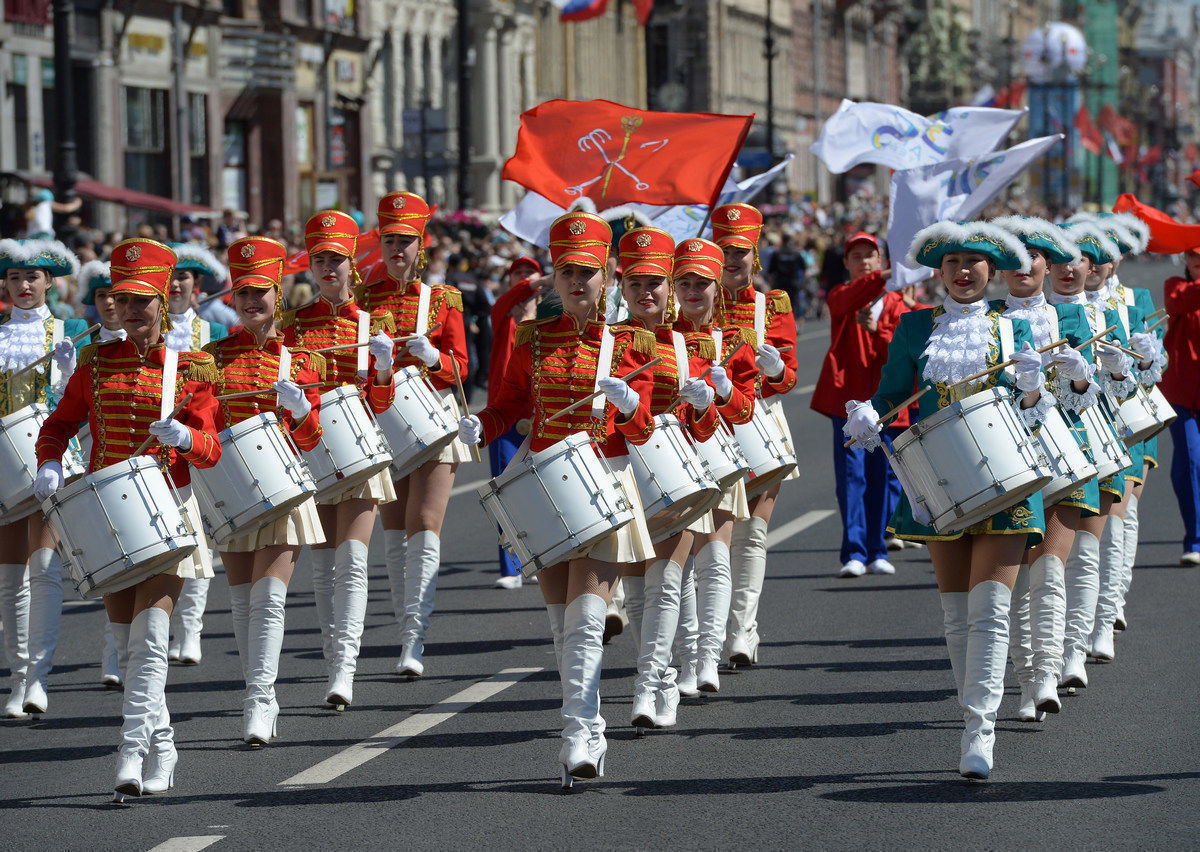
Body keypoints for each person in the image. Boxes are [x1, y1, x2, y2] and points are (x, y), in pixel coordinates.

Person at [456, 206, 657, 788]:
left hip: (602, 478)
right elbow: (511, 403)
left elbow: (644, 427)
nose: (576, 282)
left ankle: (582, 734)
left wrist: (629, 402)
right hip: (542, 478)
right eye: (566, 271)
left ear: (609, 275)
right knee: (560, 622)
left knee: (589, 614)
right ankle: (581, 726)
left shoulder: (632, 343)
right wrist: (481, 425)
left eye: (587, 272)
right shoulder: (533, 335)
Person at [844, 220, 1052, 780]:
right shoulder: (914, 328)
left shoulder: (1015, 328)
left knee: (990, 611)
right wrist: (868, 413)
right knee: (957, 614)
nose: (963, 272)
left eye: (975, 263)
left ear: (992, 271)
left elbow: (1040, 409)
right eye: (952, 262)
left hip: (1006, 478)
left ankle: (979, 729)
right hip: (939, 480)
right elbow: (891, 396)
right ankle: (971, 713)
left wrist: (1035, 386)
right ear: (939, 272)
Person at [33, 237, 222, 800]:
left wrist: (187, 435)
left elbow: (211, 449)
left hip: (168, 511)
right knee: (127, 643)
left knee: (153, 635)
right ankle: (163, 744)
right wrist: (47, 462)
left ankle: (131, 750)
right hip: (105, 515)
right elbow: (57, 426)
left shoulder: (190, 366)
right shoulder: (93, 363)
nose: (134, 311)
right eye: (125, 300)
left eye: (145, 301)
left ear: (165, 303)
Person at [205, 235, 327, 745]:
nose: (252, 302)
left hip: (282, 488)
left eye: (262, 292)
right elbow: (202, 426)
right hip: (230, 489)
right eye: (243, 293)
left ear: (279, 293)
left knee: (268, 596)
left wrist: (301, 410)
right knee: (239, 601)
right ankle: (254, 694)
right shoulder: (212, 357)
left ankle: (261, 699)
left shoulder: (300, 359)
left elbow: (313, 436)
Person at [610, 226, 730, 728]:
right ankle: (661, 681)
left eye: (655, 283)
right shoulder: (607, 341)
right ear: (623, 288)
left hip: (674, 464)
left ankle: (649, 684)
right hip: (620, 464)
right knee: (636, 585)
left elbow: (705, 427)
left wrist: (706, 402)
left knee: (666, 578)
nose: (646, 293)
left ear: (670, 284)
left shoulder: (691, 343)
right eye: (635, 284)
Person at [282, 209, 396, 709]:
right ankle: (332, 659)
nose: (328, 268)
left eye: (337, 260)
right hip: (309, 450)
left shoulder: (374, 323)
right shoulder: (294, 325)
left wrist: (386, 368)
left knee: (352, 560)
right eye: (320, 259)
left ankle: (344, 671)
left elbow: (381, 404)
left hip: (358, 451)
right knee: (322, 565)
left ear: (353, 265)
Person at [354, 191, 469, 679]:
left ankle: (414, 638)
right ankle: (403, 626)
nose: (396, 249)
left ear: (421, 246)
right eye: (389, 240)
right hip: (383, 424)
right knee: (395, 528)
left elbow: (463, 367)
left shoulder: (442, 300)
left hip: (434, 423)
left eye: (405, 241)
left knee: (426, 520)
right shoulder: (363, 301)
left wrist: (433, 359)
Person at [989, 216, 1100, 721]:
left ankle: (1044, 677)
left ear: (1047, 264)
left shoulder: (1070, 320)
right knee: (1011, 583)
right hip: (1004, 459)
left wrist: (1078, 379)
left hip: (1060, 452)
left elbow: (1088, 401)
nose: (1022, 267)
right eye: (1010, 259)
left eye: (1031, 257)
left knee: (1049, 573)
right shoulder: (984, 320)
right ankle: (1024, 678)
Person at [709, 203, 799, 668]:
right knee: (714, 537)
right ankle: (709, 633)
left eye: (739, 250)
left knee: (753, 535)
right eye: (722, 249)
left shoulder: (772, 305)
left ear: (754, 253)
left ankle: (742, 630)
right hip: (704, 427)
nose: (730, 258)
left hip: (757, 422)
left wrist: (777, 368)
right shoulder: (689, 302)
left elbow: (789, 378)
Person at [0, 238, 86, 717]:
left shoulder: (70, 330)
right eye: (15, 277)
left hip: (49, 459)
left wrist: (69, 372)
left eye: (33, 277)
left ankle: (37, 678)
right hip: (2, 465)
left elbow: (79, 404)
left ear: (50, 282)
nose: (24, 285)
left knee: (44, 570)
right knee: (9, 577)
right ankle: (16, 679)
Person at [670, 237, 758, 695]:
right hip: (669, 460)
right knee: (681, 564)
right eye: (682, 282)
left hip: (717, 457)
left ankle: (709, 658)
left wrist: (723, 393)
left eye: (700, 283)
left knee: (716, 556)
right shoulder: (656, 339)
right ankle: (686, 660)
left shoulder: (733, 341)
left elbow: (747, 408)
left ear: (715, 287)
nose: (691, 291)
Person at [810, 231, 907, 578]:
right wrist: (881, 279)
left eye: (870, 255)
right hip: (847, 402)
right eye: (856, 257)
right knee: (851, 477)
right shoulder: (843, 295)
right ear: (847, 264)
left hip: (884, 401)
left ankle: (877, 548)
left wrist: (878, 329)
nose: (864, 261)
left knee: (881, 474)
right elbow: (842, 301)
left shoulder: (896, 303)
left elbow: (900, 351)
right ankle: (854, 551)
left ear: (880, 260)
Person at [163, 242, 230, 666]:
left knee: (199, 539)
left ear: (196, 285)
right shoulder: (149, 331)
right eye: (168, 279)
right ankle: (167, 625)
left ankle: (191, 630)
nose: (174, 286)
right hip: (160, 447)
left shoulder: (215, 335)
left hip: (202, 444)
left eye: (182, 278)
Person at [77, 260, 126, 689]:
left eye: (118, 295)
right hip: (97, 455)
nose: (111, 303)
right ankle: (114, 650)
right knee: (109, 558)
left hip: (150, 459)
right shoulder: (86, 349)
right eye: (102, 296)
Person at [486, 255, 545, 589]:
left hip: (542, 413)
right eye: (517, 274)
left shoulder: (550, 317)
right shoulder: (502, 315)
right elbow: (508, 300)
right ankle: (510, 567)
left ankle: (538, 557)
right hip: (505, 415)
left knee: (543, 488)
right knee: (504, 488)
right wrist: (535, 282)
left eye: (529, 272)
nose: (523, 278)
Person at [1163, 246, 1200, 566]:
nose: (1198, 260)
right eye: (1192, 254)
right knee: (1189, 462)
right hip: (1182, 392)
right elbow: (1179, 302)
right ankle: (1194, 538)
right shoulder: (1176, 284)